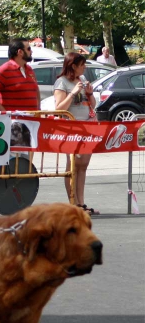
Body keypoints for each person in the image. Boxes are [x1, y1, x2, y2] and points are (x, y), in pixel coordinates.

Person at [53, 52, 99, 215]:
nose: (84, 67)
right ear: (73, 66)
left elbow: (92, 105)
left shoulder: (83, 79)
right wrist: (73, 93)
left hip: (87, 127)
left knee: (83, 165)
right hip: (71, 129)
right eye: (82, 65)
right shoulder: (62, 82)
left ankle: (81, 202)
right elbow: (59, 109)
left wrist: (90, 93)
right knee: (72, 165)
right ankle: (73, 203)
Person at [0, 38, 40, 112]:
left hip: (32, 121)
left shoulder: (29, 69)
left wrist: (38, 110)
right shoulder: (4, 69)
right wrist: (3, 112)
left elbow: (36, 90)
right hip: (14, 121)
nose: (31, 51)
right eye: (28, 49)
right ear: (20, 52)